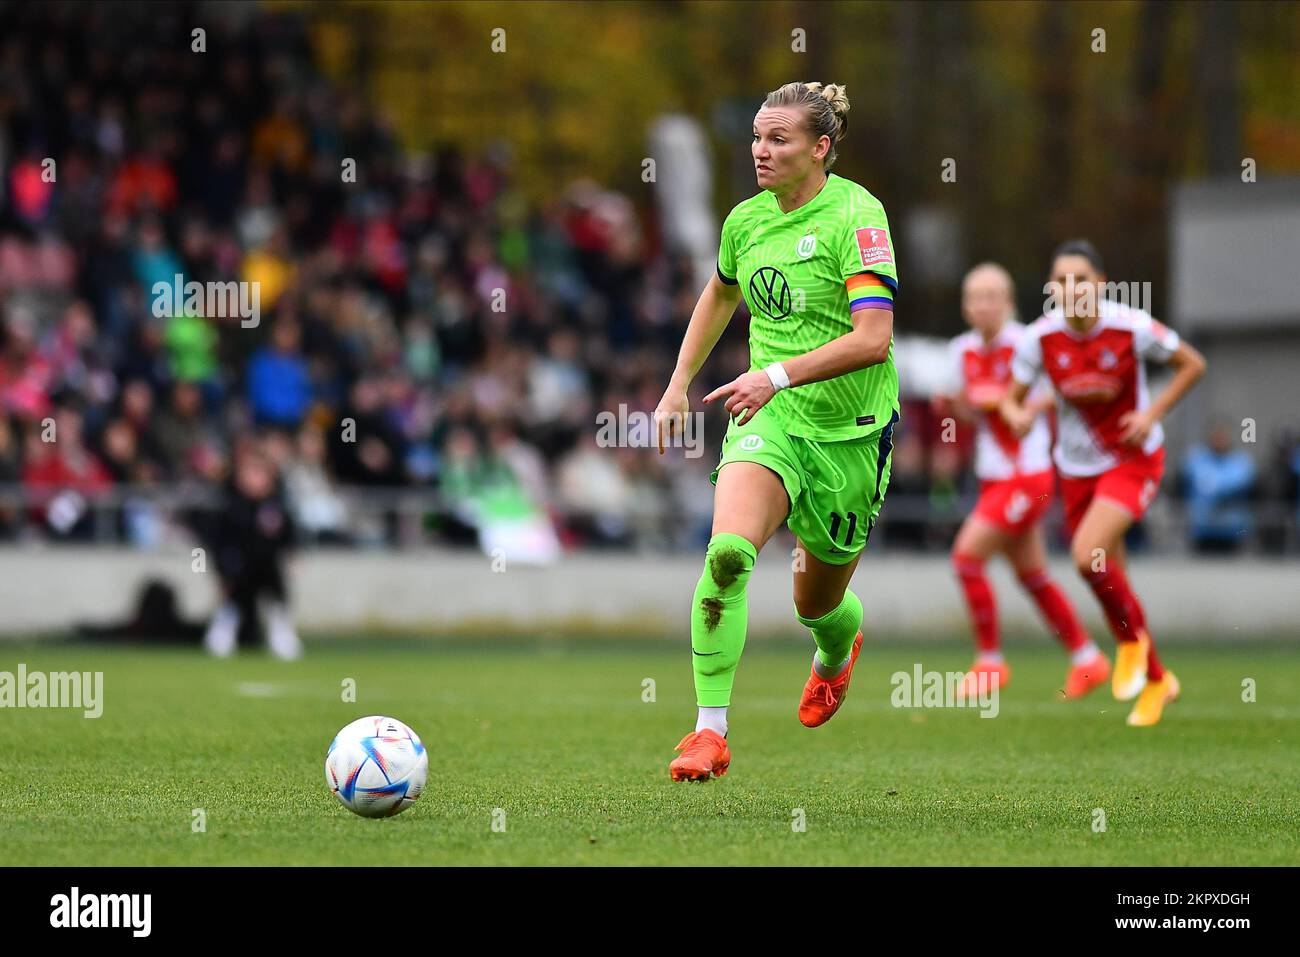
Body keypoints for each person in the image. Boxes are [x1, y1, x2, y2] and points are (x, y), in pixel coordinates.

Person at [654, 81, 899, 781]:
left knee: (814, 603)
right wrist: (677, 385)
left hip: (851, 431)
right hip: (773, 419)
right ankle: (709, 732)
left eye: (778, 139)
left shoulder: (858, 215)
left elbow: (873, 339)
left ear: (820, 148)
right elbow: (721, 292)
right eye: (757, 138)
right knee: (728, 553)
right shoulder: (747, 221)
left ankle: (835, 650)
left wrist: (779, 373)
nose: (761, 151)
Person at [1001, 240, 1206, 726]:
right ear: (1052, 289)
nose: (1072, 289)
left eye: (1082, 280)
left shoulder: (1130, 327)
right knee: (1112, 577)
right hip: (1075, 471)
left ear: (1102, 284)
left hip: (1132, 460)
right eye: (1063, 281)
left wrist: (1150, 413)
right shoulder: (1038, 338)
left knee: (1084, 555)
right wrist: (1018, 416)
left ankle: (1131, 646)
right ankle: (1158, 681)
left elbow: (1193, 364)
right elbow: (1012, 399)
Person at [935, 263, 1106, 700]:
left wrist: (1011, 401)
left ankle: (990, 662)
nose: (985, 304)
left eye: (994, 295)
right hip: (994, 477)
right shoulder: (960, 351)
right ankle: (1087, 658)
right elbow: (969, 411)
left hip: (1029, 477)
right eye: (976, 296)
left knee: (965, 559)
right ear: (966, 307)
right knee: (1033, 575)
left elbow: (1058, 387)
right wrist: (953, 405)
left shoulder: (1029, 343)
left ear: (1009, 303)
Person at [202, 441, 302, 660]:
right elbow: (217, 542)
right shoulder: (229, 506)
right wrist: (221, 573)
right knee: (235, 594)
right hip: (238, 571)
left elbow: (288, 538)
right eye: (250, 472)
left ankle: (280, 631)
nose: (255, 479)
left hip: (267, 570)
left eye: (260, 473)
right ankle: (225, 626)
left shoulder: (275, 507)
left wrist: (292, 557)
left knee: (275, 588)